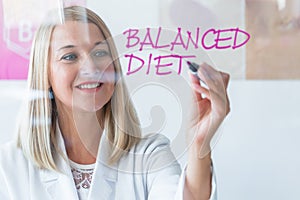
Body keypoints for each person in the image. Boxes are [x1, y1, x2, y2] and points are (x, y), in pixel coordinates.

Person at [0, 6, 230, 200]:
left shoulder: (149, 155)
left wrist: (200, 142)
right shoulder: (9, 165)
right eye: (70, 56)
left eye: (100, 53)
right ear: (45, 74)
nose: (91, 68)